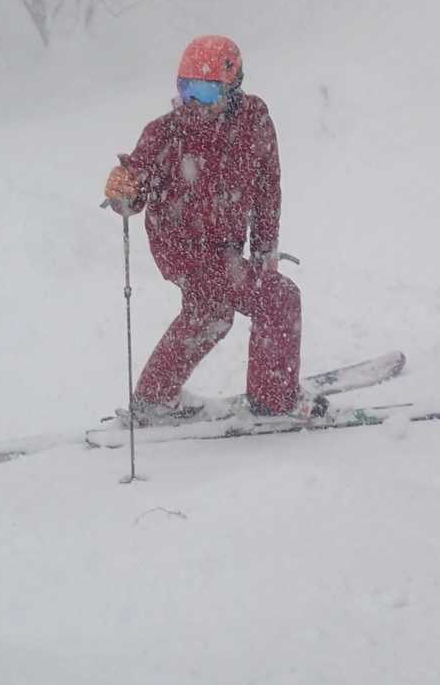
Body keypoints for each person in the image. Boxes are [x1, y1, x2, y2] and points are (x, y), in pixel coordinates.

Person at [103, 35, 327, 422]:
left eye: (205, 91)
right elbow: (136, 192)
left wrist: (264, 251)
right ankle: (275, 401)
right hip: (181, 247)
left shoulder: (254, 119)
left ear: (232, 87)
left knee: (211, 313)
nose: (193, 101)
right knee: (278, 298)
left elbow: (267, 190)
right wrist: (125, 190)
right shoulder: (164, 133)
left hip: (224, 246)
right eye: (185, 89)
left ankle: (154, 398)